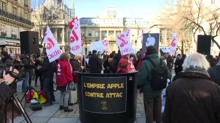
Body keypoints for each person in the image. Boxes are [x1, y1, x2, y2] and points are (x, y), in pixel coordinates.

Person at [163, 53, 220, 123]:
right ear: (205, 66)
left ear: (185, 65)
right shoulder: (214, 89)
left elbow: (167, 116)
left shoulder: (173, 87)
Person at [138, 46, 171, 123]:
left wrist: (139, 85)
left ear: (148, 52)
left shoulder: (146, 63)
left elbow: (141, 78)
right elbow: (169, 75)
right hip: (159, 89)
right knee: (158, 107)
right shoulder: (161, 61)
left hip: (148, 90)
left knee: (149, 108)